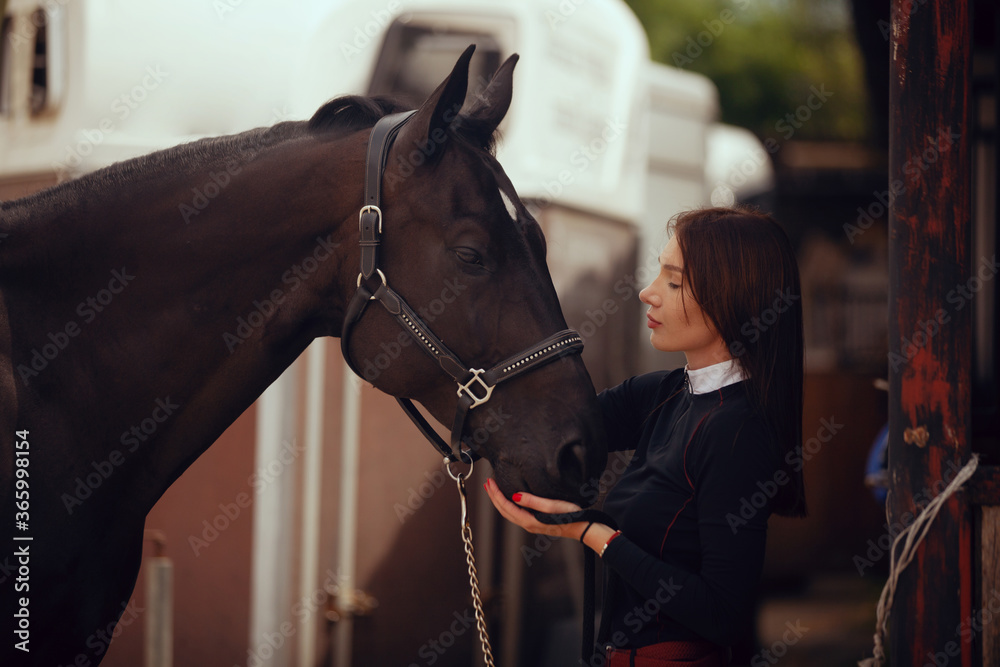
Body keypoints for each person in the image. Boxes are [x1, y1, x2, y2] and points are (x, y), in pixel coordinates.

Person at [485, 206, 807, 666]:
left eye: (673, 282)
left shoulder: (738, 433)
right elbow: (551, 426)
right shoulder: (664, 393)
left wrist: (594, 534)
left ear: (733, 297)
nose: (647, 293)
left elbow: (723, 614)